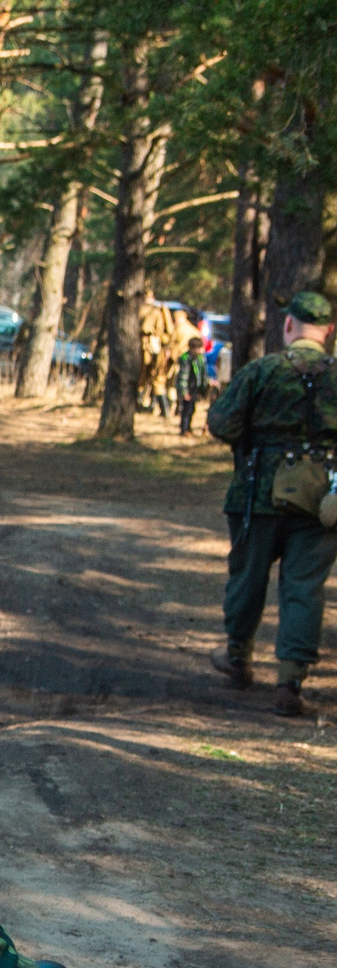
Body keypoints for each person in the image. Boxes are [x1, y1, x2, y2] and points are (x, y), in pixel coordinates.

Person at [206, 291, 337, 718]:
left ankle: (238, 656)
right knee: (305, 588)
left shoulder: (262, 371)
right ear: (329, 332)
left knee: (248, 576)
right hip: (321, 501)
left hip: (257, 496)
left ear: (287, 326)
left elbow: (222, 424)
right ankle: (290, 681)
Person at [177, 333, 209, 436]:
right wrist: (184, 392)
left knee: (192, 409)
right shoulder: (186, 358)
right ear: (192, 348)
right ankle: (184, 429)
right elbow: (183, 377)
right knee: (186, 410)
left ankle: (189, 428)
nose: (201, 351)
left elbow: (203, 374)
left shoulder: (200, 358)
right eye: (199, 348)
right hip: (188, 388)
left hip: (195, 388)